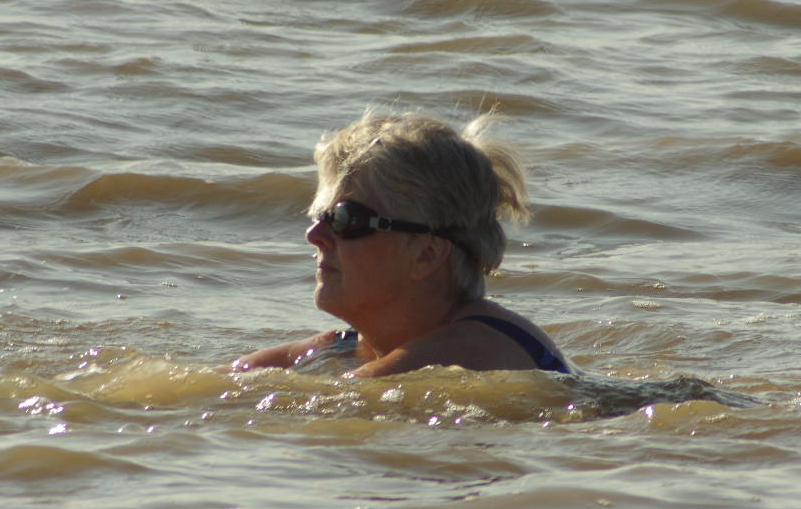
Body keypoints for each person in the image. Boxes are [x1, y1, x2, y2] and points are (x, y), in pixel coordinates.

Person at [232, 111, 571, 378]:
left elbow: (314, 409)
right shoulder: (347, 347)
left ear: (426, 253)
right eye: (320, 216)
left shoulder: (469, 348)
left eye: (347, 220)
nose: (315, 235)